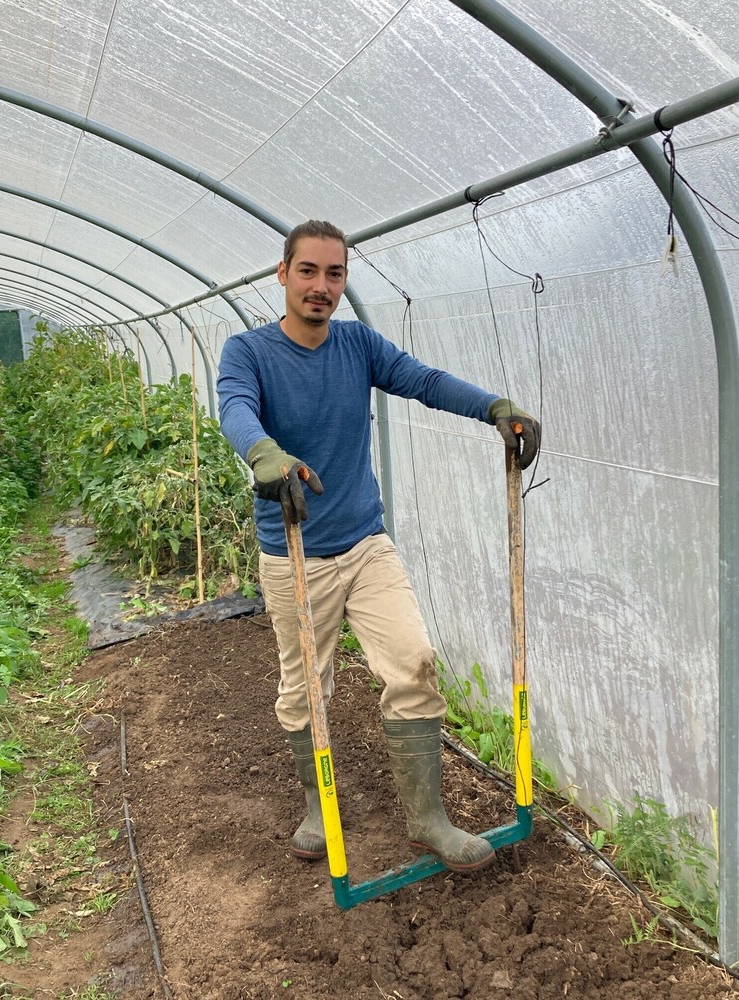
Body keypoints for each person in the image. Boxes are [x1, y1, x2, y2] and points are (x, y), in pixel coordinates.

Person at [217, 220, 540, 873]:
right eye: (308, 271)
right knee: (305, 690)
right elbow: (235, 408)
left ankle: (427, 819)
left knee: (414, 664)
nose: (321, 285)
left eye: (334, 274)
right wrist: (265, 453)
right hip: (295, 552)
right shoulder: (247, 351)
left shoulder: (357, 344)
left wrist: (494, 407)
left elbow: (423, 380)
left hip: (365, 544)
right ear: (283, 274)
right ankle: (319, 807)